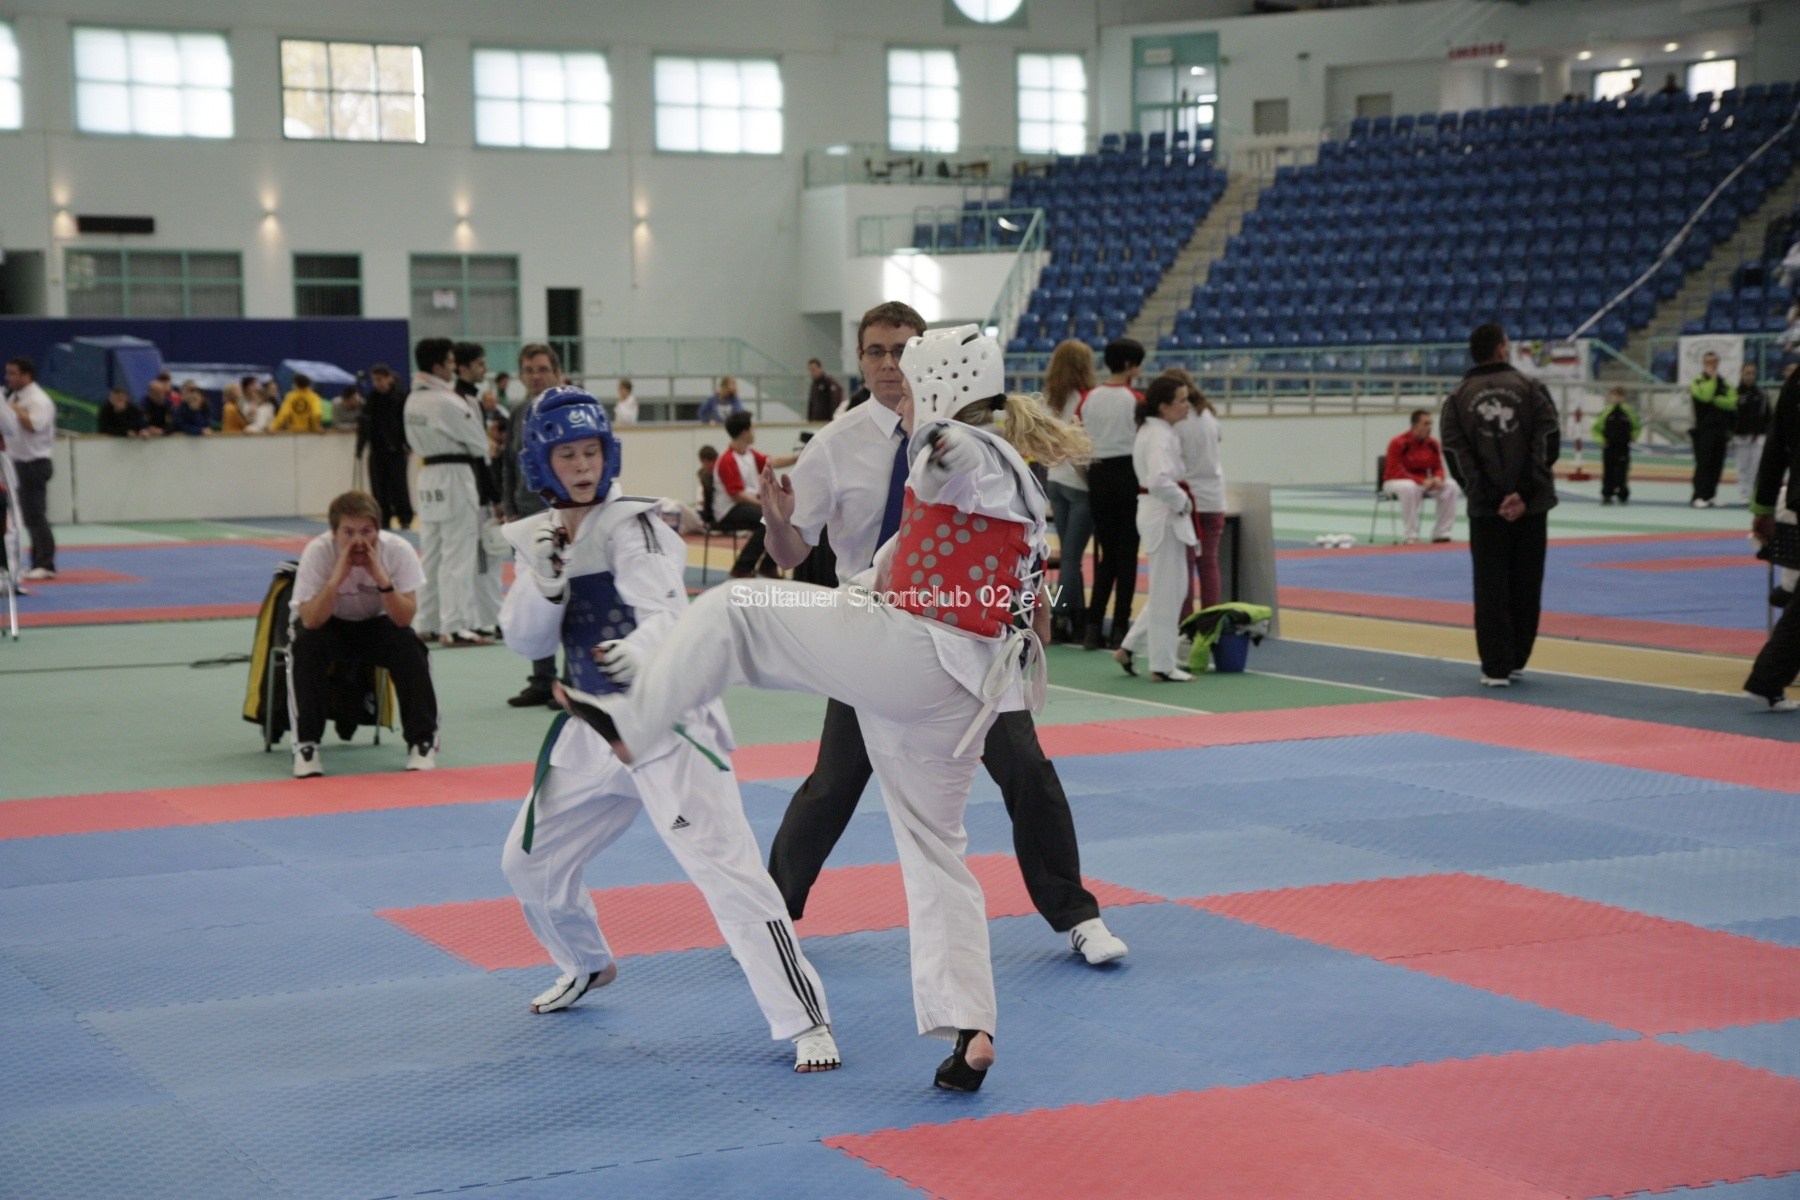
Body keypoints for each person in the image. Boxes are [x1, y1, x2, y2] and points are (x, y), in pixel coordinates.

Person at [568, 326, 1099, 1092]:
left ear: (942, 391)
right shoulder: (1012, 483)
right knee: (935, 852)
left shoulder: (966, 452)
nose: (902, 403)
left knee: (735, 611)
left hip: (920, 657)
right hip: (965, 691)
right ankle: (970, 1028)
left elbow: (951, 457)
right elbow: (909, 563)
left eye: (911, 390)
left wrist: (940, 443)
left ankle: (635, 725)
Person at [758, 305, 1129, 974]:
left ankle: (1078, 914)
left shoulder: (969, 445)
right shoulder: (837, 445)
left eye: (902, 351)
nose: (889, 364)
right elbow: (794, 551)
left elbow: (1006, 530)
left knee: (1027, 772)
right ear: (860, 359)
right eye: (876, 351)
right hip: (875, 640)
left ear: (931, 366)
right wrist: (779, 523)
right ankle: (768, 916)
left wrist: (1034, 605)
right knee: (834, 783)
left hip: (972, 642)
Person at [496, 386, 840, 1073]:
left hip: (668, 723)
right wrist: (546, 581)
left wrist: (641, 649)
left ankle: (807, 1020)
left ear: (608, 453)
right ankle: (586, 963)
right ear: (542, 463)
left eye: (591, 451)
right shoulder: (541, 536)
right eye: (567, 455)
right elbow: (522, 639)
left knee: (727, 872)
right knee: (528, 861)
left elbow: (666, 612)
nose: (583, 466)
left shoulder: (635, 524)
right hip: (592, 726)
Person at [1440, 323, 1560, 688]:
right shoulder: (1531, 388)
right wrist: (1523, 493)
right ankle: (1517, 658)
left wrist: (1491, 497)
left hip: (1487, 511)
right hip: (1531, 507)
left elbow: (1456, 455)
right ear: (1501, 349)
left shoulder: (1457, 398)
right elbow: (1548, 441)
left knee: (1491, 586)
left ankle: (1495, 666)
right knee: (1527, 582)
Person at [288, 490, 439, 777]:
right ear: (334, 533)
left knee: (409, 645)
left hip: (376, 623)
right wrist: (336, 578)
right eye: (349, 532)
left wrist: (382, 578)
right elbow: (311, 619)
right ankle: (306, 746)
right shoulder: (318, 552)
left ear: (378, 530)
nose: (358, 541)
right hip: (329, 623)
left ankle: (422, 741)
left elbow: (404, 618)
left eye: (366, 531)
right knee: (306, 645)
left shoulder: (398, 550)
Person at [404, 336, 492, 647]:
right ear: (438, 365)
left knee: (432, 553)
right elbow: (480, 444)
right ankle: (454, 626)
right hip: (454, 476)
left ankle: (426, 623)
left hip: (427, 475)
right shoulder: (448, 401)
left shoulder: (412, 400)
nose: (454, 368)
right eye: (451, 362)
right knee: (459, 553)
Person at [1116, 375, 1196, 682]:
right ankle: (1162, 665)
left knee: (1172, 589)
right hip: (1163, 514)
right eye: (1182, 400)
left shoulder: (1157, 431)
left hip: (1160, 512)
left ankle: (1130, 646)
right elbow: (1160, 480)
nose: (1187, 405)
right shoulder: (1158, 435)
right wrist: (1183, 502)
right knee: (1168, 593)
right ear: (1164, 406)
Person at [499, 344, 566, 709]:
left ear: (556, 371)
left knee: (569, 597)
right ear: (521, 375)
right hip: (525, 517)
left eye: (542, 369)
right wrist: (509, 507)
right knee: (534, 600)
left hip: (563, 514)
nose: (536, 376)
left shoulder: (571, 407)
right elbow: (509, 463)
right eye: (529, 370)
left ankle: (572, 681)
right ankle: (542, 679)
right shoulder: (518, 413)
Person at [1078, 338, 1145, 650]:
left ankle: (1093, 627)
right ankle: (1120, 627)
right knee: (1127, 554)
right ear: (1130, 366)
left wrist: (1090, 477)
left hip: (1098, 474)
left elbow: (1078, 438)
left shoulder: (1089, 398)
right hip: (1128, 474)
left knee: (1107, 555)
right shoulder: (1136, 400)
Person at [1746, 364, 1800, 711]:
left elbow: (1776, 445)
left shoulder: (1796, 380)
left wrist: (1764, 506)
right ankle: (1767, 679)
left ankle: (1767, 680)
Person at [1041, 339, 1095, 643]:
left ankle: (1075, 614)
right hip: (1077, 483)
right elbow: (1084, 446)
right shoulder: (1085, 399)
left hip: (1055, 480)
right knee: (1073, 558)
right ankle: (1060, 614)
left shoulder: (1051, 400)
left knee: (1070, 554)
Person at [1166, 367, 1228, 613]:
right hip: (1213, 499)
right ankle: (1210, 621)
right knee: (1209, 563)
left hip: (1188, 500)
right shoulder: (1208, 416)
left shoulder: (1176, 423)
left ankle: (1186, 622)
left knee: (1186, 565)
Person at [712, 411, 796, 578]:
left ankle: (768, 565)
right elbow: (737, 496)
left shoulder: (750, 453)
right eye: (753, 428)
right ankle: (741, 568)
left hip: (746, 505)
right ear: (745, 432)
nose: (754, 432)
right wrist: (766, 505)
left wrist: (798, 458)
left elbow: (773, 461)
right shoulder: (727, 459)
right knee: (768, 519)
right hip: (729, 509)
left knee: (784, 516)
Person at [3, 357, 56, 580]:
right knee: (26, 515)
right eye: (7, 373)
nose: (8, 377)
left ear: (26, 375)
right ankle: (36, 561)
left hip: (34, 463)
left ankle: (46, 564)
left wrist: (14, 409)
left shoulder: (38, 399)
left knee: (35, 514)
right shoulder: (14, 396)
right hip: (17, 462)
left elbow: (34, 425)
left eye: (13, 373)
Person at [1382, 409, 1461, 543]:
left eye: (1430, 424)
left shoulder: (1433, 444)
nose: (1429, 427)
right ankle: (1411, 535)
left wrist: (1438, 478)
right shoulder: (1398, 442)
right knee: (1409, 487)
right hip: (1395, 481)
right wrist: (1421, 480)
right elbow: (1395, 470)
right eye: (1425, 424)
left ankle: (1442, 533)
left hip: (1423, 483)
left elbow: (1438, 467)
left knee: (1451, 486)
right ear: (1414, 425)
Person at [356, 364, 413, 529]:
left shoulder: (400, 398)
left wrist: (408, 444)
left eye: (380, 379)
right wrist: (360, 447)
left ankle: (404, 517)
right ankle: (383, 518)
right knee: (379, 488)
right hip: (377, 449)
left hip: (396, 449)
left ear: (389, 378)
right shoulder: (372, 398)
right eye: (374, 380)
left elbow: (406, 423)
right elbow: (365, 425)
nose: (377, 383)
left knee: (399, 486)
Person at [1689, 350, 1737, 508]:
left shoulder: (1725, 382)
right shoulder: (1697, 381)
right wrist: (1712, 380)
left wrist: (1717, 400)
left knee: (1717, 464)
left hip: (1721, 429)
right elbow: (1705, 397)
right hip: (1704, 430)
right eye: (1708, 362)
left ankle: (1710, 495)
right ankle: (1698, 496)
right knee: (1703, 463)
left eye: (1714, 362)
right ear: (1704, 364)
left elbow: (1732, 402)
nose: (1712, 365)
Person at [1591, 386, 1641, 506]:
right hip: (1609, 446)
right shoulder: (1606, 412)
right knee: (1608, 471)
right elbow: (1595, 429)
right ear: (1610, 397)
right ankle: (1607, 494)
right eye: (1614, 395)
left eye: (1619, 396)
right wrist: (1601, 440)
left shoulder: (1629, 412)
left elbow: (1637, 427)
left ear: (1624, 397)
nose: (1617, 398)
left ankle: (1622, 494)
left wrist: (1634, 436)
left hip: (1623, 446)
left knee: (1622, 471)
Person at [1734, 361, 1769, 507]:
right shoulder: (1735, 393)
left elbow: (1767, 415)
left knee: (1756, 467)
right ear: (1741, 374)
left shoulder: (1761, 393)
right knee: (1742, 467)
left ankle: (1755, 494)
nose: (1750, 376)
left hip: (1758, 436)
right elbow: (1733, 415)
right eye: (1747, 373)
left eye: (1753, 373)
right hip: (1740, 436)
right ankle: (1744, 494)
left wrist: (1762, 431)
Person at [805, 358, 844, 423]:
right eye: (810, 370)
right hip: (815, 421)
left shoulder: (829, 383)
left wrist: (833, 419)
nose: (811, 372)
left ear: (820, 368)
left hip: (826, 421)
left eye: (813, 369)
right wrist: (809, 420)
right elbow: (811, 404)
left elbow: (834, 402)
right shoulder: (814, 385)